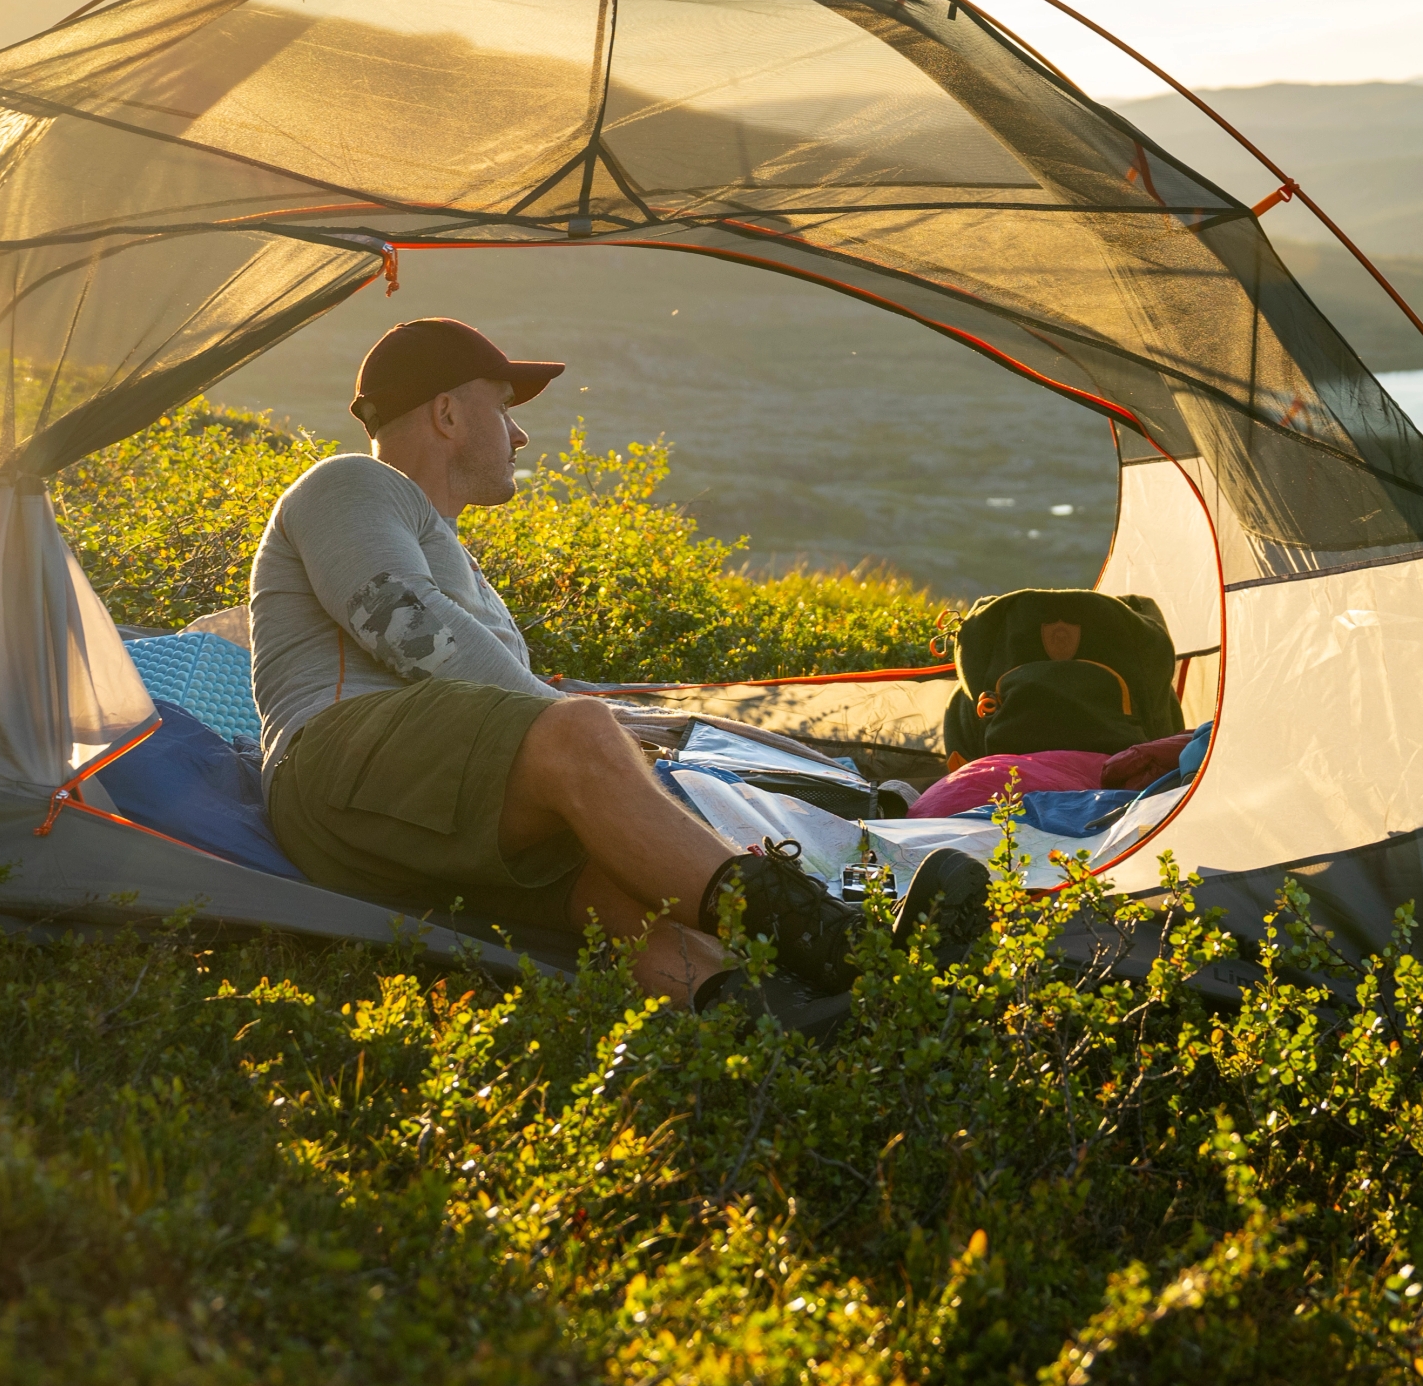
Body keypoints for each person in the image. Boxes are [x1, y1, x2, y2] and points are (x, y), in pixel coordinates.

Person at [250, 314, 978, 1033]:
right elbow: (398, 618)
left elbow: (482, 691)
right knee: (578, 730)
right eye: (503, 410)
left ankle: (770, 1015)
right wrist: (578, 728)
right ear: (446, 412)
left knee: (614, 883)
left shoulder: (448, 548)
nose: (520, 436)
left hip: (429, 809)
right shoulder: (351, 483)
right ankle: (834, 943)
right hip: (336, 772)